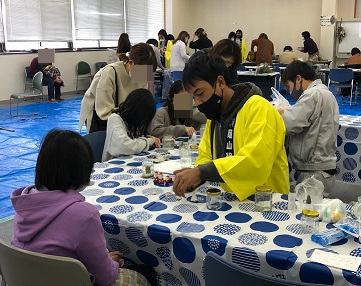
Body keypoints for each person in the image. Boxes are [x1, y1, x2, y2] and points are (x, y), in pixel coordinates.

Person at [11, 129, 157, 286]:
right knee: (146, 271)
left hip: (27, 277)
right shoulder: (85, 215)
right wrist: (110, 263)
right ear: (82, 171)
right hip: (65, 279)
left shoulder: (25, 200)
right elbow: (105, 277)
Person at [172, 54, 289, 200]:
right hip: (232, 201)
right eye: (193, 98)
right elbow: (205, 155)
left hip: (267, 200)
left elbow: (255, 162)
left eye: (200, 93)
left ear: (220, 82)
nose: (198, 102)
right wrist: (198, 176)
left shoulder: (259, 108)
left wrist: (202, 172)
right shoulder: (214, 117)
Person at [279, 61, 339, 197]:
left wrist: (279, 113)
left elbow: (289, 124)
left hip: (314, 171)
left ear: (298, 79)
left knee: (308, 214)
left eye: (289, 85)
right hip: (321, 168)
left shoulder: (312, 94)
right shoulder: (325, 93)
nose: (290, 91)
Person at [79, 43, 157, 133]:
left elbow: (141, 104)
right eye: (143, 72)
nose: (145, 77)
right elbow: (104, 113)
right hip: (100, 117)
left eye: (148, 73)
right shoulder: (109, 73)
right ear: (131, 63)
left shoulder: (143, 74)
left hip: (123, 116)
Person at [102, 89, 161, 161]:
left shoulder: (134, 122)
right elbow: (124, 146)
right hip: (114, 166)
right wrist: (148, 141)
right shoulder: (115, 119)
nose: (142, 122)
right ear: (136, 111)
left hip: (132, 162)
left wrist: (147, 137)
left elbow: (133, 139)